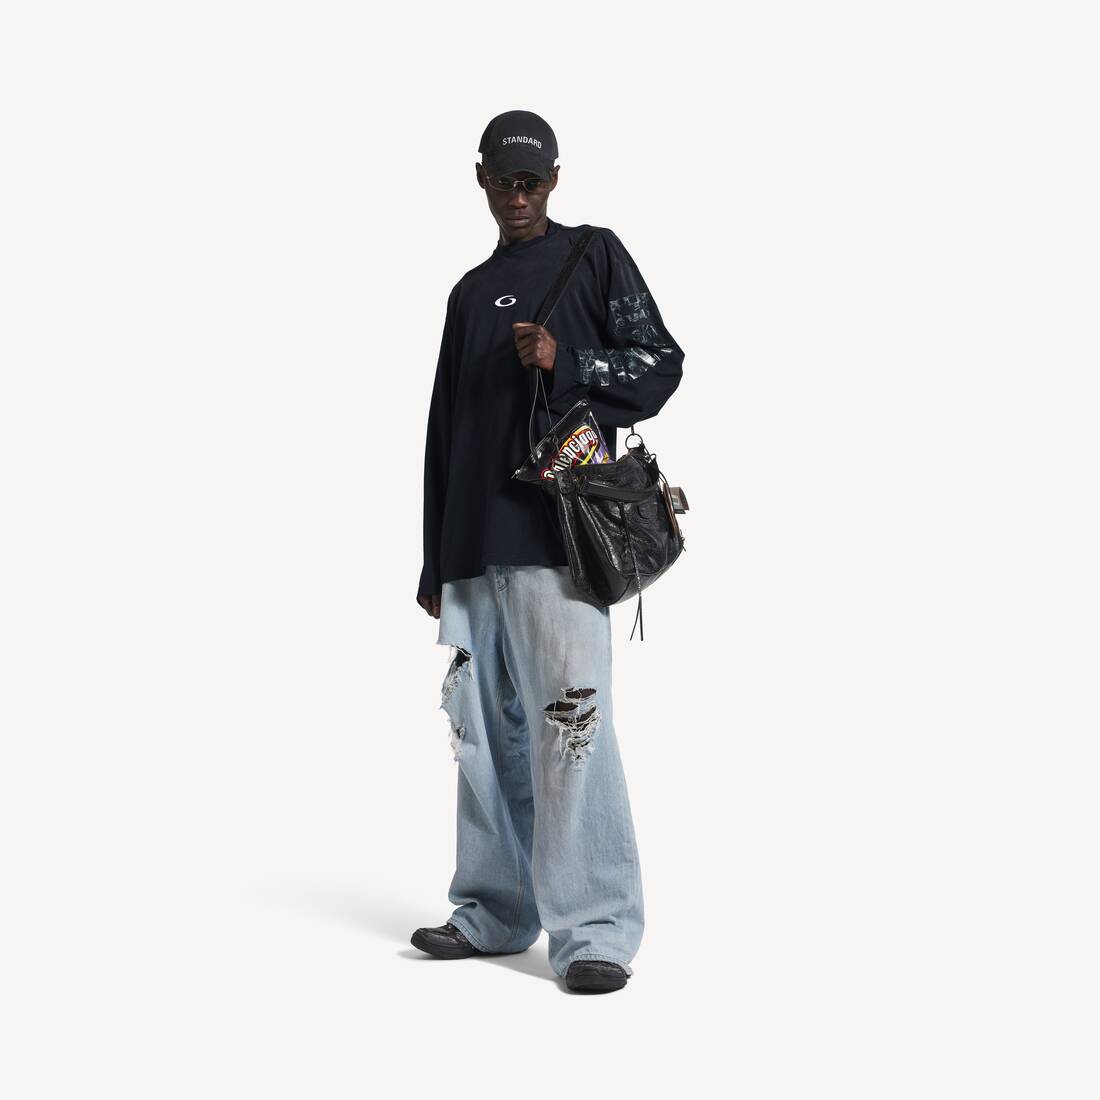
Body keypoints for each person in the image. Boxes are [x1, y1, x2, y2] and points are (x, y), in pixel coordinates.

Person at [412, 109, 684, 994]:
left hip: (557, 542)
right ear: (482, 180)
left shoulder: (594, 255)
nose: (518, 196)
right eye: (505, 181)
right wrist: (433, 560)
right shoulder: (468, 293)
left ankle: (595, 929)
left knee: (572, 729)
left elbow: (661, 364)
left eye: (532, 181)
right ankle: (494, 911)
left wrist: (570, 360)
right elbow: (444, 431)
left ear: (555, 180)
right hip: (471, 548)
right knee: (480, 740)